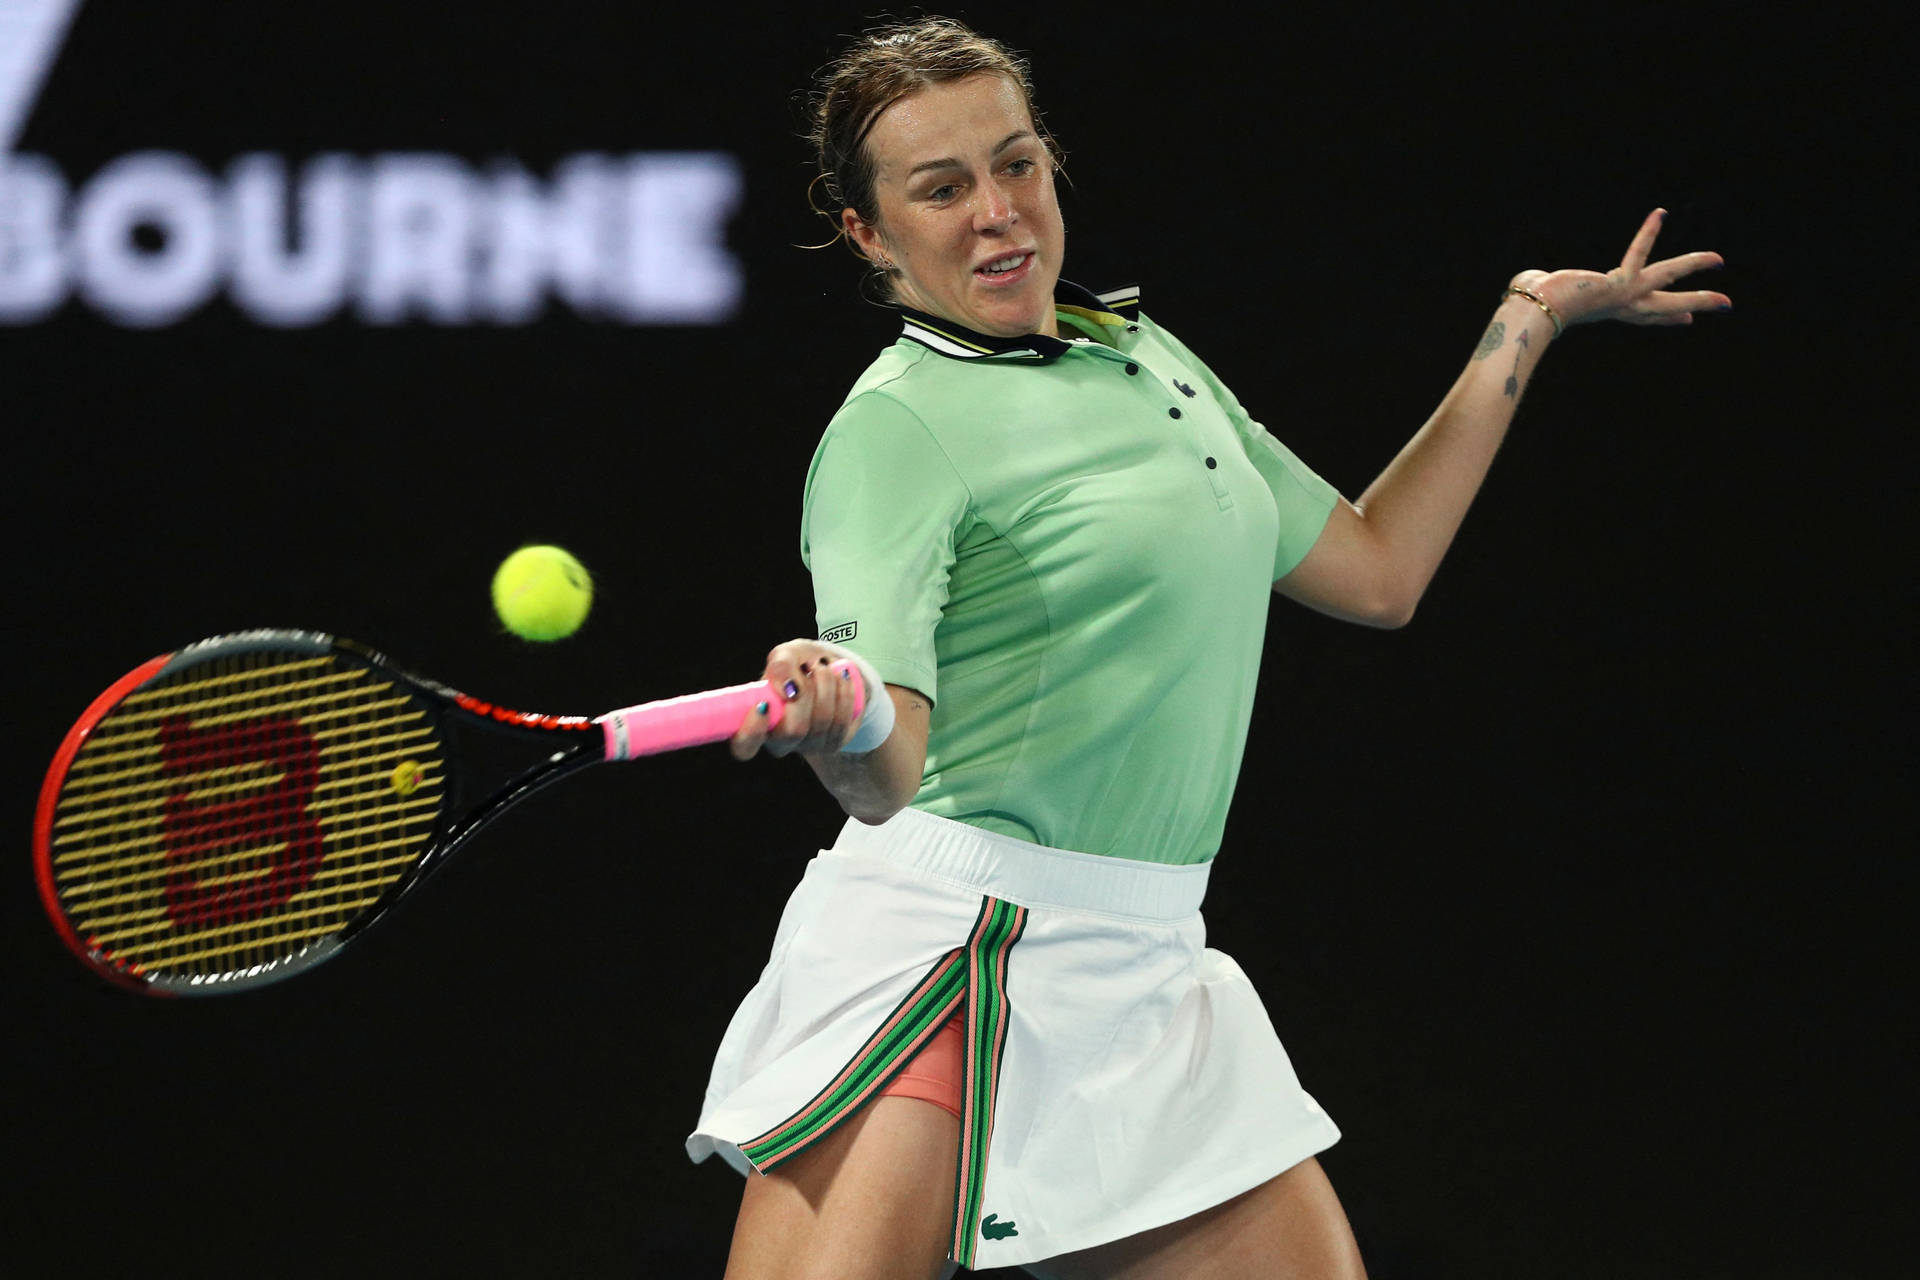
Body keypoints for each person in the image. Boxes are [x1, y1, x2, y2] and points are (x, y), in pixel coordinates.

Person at [692, 17, 1729, 1279]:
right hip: (956, 945)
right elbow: (889, 768)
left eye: (1017, 165)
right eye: (941, 188)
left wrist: (1532, 321)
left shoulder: (1147, 359)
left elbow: (1378, 568)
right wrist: (842, 718)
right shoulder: (894, 432)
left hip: (1143, 953)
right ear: (868, 231)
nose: (996, 212)